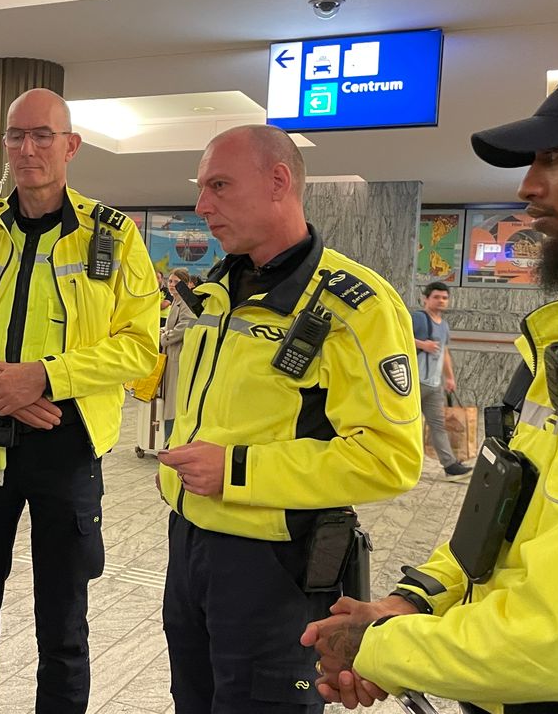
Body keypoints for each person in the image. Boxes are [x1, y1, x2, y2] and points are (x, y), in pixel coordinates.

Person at [302, 34, 558, 714]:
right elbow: (511, 513)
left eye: (557, 155)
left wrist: (376, 648)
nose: (528, 186)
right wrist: (416, 597)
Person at [155, 124, 422, 714]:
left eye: (219, 185)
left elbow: (391, 459)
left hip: (275, 568)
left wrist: (236, 471)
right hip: (190, 548)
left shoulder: (355, 307)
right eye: (202, 188)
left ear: (279, 181)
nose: (202, 206)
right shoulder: (217, 294)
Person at [0, 88, 159, 714]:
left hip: (67, 445)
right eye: (16, 135)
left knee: (64, 622)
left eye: (42, 135)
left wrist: (44, 378)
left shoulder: (113, 237)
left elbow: (139, 347)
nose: (28, 149)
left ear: (70, 146)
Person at [413, 281, 473, 478]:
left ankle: (450, 466)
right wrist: (422, 344)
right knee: (407, 424)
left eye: (444, 298)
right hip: (415, 382)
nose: (441, 301)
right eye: (436, 297)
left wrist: (449, 377)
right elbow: (397, 337)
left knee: (438, 425)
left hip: (433, 384)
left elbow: (444, 352)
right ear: (426, 299)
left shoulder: (444, 325)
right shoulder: (418, 318)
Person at [161, 267, 196, 440]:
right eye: (170, 281)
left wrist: (164, 338)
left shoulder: (186, 302)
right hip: (170, 355)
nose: (172, 285)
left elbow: (184, 326)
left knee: (173, 402)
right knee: (169, 400)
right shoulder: (176, 301)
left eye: (176, 282)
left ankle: (172, 439)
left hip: (178, 356)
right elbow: (171, 327)